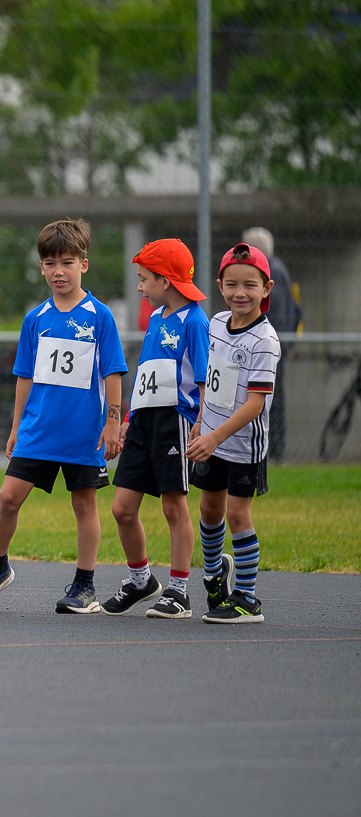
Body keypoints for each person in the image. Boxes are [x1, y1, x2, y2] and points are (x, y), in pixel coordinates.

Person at [0, 218, 127, 614]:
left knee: (84, 506)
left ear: (83, 265)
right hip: (38, 430)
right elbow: (25, 376)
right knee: (8, 498)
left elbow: (113, 372)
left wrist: (112, 422)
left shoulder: (100, 315)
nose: (59, 271)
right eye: (51, 263)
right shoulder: (35, 318)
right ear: (41, 268)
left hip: (83, 432)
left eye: (67, 262)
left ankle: (84, 585)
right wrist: (16, 427)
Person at [100, 239, 209, 619]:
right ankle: (140, 580)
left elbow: (204, 379)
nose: (139, 287)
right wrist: (129, 419)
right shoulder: (157, 318)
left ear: (165, 281)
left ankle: (179, 592)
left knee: (172, 506)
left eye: (144, 279)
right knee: (122, 508)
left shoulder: (194, 321)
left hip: (174, 420)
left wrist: (201, 421)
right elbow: (147, 374)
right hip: (144, 421)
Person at [186, 243, 279, 624]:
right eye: (232, 284)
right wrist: (201, 421)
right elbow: (211, 381)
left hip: (241, 446)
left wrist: (215, 437)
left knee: (237, 515)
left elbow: (255, 404)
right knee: (209, 510)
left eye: (250, 285)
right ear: (220, 285)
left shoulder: (264, 341)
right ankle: (213, 579)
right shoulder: (215, 324)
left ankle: (247, 599)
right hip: (210, 438)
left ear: (266, 288)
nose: (240, 293)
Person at [240, 228, 299, 463]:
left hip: (269, 348)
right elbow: (294, 310)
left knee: (267, 399)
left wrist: (274, 343)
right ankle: (272, 451)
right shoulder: (278, 268)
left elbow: (279, 312)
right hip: (277, 345)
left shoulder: (270, 271)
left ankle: (272, 452)